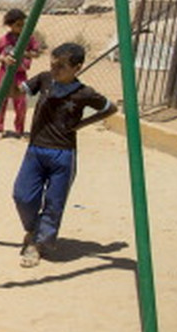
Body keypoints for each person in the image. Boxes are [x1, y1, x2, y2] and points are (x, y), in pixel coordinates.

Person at [13, 42, 117, 268]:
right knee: (22, 196)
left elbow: (110, 108)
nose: (55, 70)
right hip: (36, 150)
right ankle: (33, 229)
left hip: (63, 154)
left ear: (76, 68)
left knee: (54, 203)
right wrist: (12, 72)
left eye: (61, 66)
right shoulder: (44, 80)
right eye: (52, 64)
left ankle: (37, 245)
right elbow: (15, 93)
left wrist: (81, 124)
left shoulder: (83, 93)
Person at [0, 8, 44, 139]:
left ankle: (19, 129)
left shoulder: (29, 38)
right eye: (18, 25)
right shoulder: (4, 40)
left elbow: (37, 53)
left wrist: (24, 53)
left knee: (20, 102)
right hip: (5, 73)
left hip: (20, 75)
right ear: (10, 25)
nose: (21, 27)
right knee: (1, 101)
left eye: (23, 24)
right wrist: (4, 59)